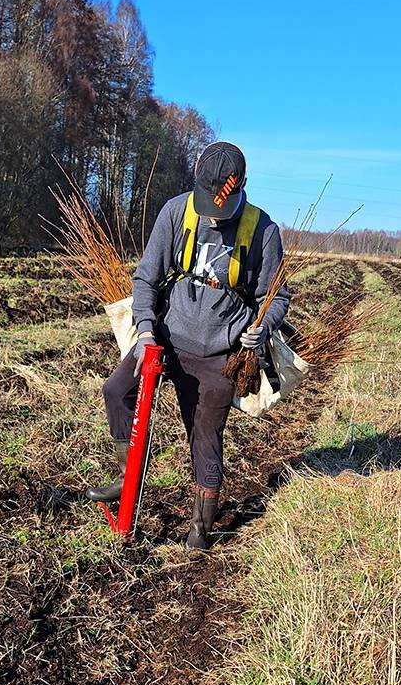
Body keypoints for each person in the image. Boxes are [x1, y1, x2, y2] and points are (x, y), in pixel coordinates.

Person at [86, 141, 290, 548]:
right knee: (116, 391)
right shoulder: (178, 211)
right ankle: (129, 481)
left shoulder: (263, 231)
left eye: (221, 208)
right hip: (166, 338)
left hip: (219, 354)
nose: (213, 218)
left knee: (205, 435)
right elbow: (146, 278)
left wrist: (261, 328)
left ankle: (200, 526)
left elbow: (278, 295)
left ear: (241, 186)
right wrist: (145, 332)